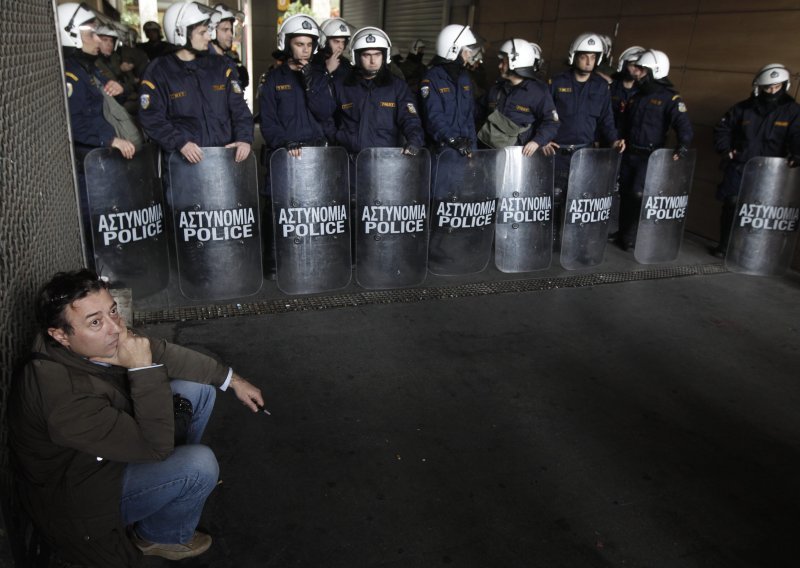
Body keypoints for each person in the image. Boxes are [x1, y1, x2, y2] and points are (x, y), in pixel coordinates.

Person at [8, 269, 264, 565]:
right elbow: (155, 446)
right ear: (60, 335)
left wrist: (231, 380)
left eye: (112, 311)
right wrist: (142, 370)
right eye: (95, 322)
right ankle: (160, 534)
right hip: (82, 499)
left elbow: (161, 351)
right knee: (199, 466)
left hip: (104, 455)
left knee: (199, 389)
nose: (115, 328)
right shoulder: (63, 399)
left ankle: (169, 487)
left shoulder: (80, 345)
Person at [57, 3, 136, 261]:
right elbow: (73, 121)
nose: (97, 40)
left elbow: (106, 103)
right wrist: (110, 139)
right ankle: (98, 269)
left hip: (100, 159)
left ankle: (112, 265)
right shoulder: (70, 73)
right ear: (71, 35)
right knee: (94, 221)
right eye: (90, 34)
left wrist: (116, 87)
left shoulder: (87, 69)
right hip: (86, 162)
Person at [138, 1, 253, 165]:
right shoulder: (158, 72)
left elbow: (239, 109)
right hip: (182, 167)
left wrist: (244, 138)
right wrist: (180, 142)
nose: (209, 37)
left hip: (224, 162)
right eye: (202, 33)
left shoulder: (220, 66)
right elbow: (151, 116)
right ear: (180, 33)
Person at [711, 64, 800, 257]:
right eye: (768, 87)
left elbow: (797, 136)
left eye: (777, 87)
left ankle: (754, 251)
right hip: (740, 165)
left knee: (762, 210)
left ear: (785, 85)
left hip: (773, 170)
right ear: (759, 87)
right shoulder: (742, 108)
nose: (772, 91)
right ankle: (725, 245)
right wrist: (725, 150)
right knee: (732, 203)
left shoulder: (793, 111)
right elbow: (722, 129)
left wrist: (796, 154)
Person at [544, 33, 623, 245]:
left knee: (580, 199)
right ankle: (551, 238)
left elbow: (607, 118)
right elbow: (543, 114)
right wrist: (543, 140)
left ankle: (573, 240)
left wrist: (614, 140)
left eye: (593, 57)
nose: (589, 61)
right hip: (558, 153)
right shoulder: (556, 82)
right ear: (574, 57)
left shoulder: (600, 86)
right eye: (584, 56)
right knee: (555, 198)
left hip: (585, 153)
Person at [617, 49, 693, 250]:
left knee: (638, 194)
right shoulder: (636, 96)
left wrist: (683, 144)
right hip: (629, 153)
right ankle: (622, 232)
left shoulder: (670, 98)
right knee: (625, 193)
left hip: (650, 157)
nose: (637, 73)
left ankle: (631, 236)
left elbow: (683, 124)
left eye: (642, 70)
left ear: (655, 71)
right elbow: (625, 124)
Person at [324, 26, 424, 157]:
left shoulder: (397, 87)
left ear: (385, 56)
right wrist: (337, 137)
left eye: (377, 54)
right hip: (349, 160)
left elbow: (410, 118)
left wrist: (414, 140)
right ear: (357, 57)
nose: (373, 61)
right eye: (367, 55)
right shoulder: (342, 86)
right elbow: (326, 116)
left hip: (386, 160)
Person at [477, 39, 559, 155]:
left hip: (518, 157)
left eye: (504, 62)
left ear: (515, 62)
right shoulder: (496, 88)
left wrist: (537, 142)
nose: (499, 66)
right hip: (490, 153)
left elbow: (551, 122)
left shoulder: (538, 92)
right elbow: (477, 112)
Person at [420, 24, 482, 157]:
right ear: (454, 50)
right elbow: (434, 117)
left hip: (466, 148)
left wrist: (473, 147)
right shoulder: (432, 79)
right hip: (443, 151)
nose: (469, 55)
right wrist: (453, 140)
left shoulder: (464, 77)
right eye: (466, 51)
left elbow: (469, 116)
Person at [209, 3, 249, 89]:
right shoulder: (204, 64)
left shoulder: (228, 61)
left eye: (231, 29)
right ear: (212, 32)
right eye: (225, 29)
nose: (231, 34)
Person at [609, 45, 645, 129]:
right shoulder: (611, 86)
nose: (636, 70)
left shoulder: (643, 91)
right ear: (624, 65)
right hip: (609, 134)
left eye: (639, 66)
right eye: (633, 65)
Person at [314, 17, 353, 83]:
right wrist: (327, 71)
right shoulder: (314, 63)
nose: (341, 46)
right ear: (324, 42)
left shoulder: (346, 64)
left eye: (343, 42)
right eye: (336, 42)